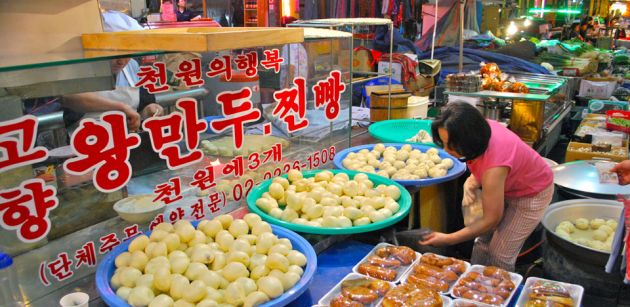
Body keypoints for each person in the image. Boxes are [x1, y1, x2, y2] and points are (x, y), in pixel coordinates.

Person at [420, 102, 554, 271]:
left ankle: (500, 293)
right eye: (444, 144)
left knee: (500, 254)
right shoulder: (479, 128)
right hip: (508, 185)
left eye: (451, 146)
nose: (446, 151)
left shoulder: (495, 168)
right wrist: (472, 181)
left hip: (532, 194)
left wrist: (448, 239)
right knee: (482, 241)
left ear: (470, 142)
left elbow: (491, 220)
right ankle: (474, 281)